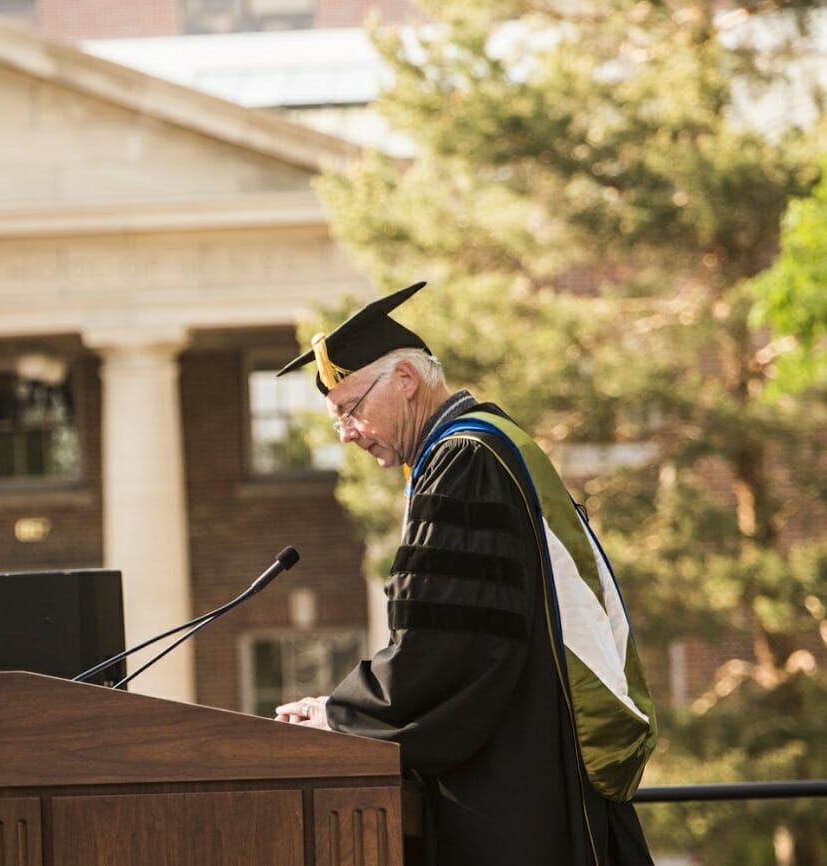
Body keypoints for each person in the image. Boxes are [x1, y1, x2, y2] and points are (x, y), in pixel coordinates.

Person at [273, 282, 658, 866]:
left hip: (519, 785)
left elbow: (450, 648)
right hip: (539, 760)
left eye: (350, 410)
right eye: (336, 422)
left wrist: (343, 713)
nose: (346, 433)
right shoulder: (492, 444)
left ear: (405, 381)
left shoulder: (466, 460)